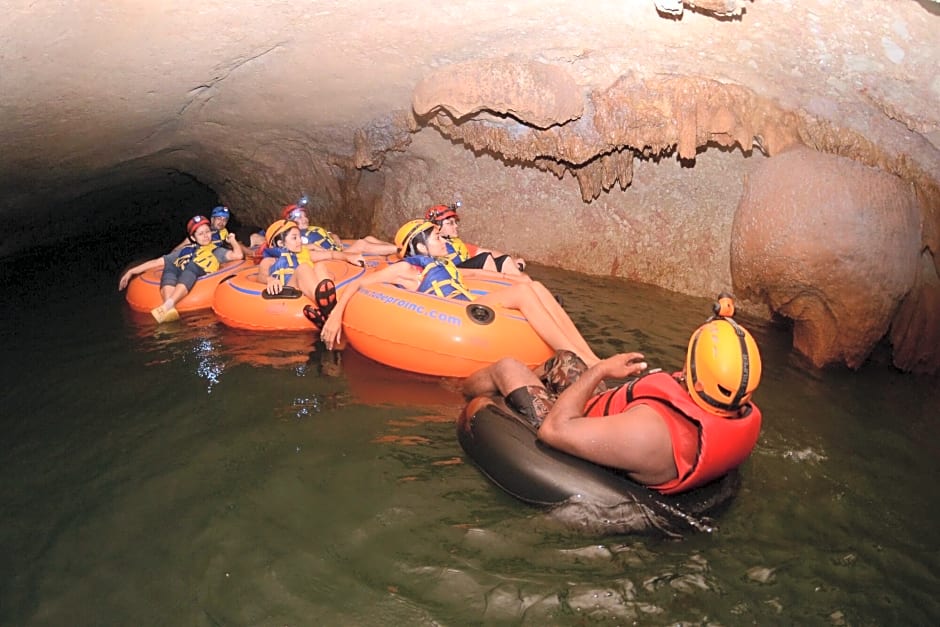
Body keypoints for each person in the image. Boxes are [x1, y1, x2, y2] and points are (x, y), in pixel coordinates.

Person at [461, 295, 763, 494]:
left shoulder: (648, 434)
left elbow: (555, 429)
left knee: (507, 366)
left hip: (568, 424)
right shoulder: (731, 403)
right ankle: (524, 389)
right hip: (606, 415)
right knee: (565, 359)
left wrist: (601, 371)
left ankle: (453, 394)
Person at [318, 219, 601, 364]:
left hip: (467, 301)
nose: (443, 240)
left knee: (534, 287)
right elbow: (359, 283)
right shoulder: (406, 269)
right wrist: (334, 317)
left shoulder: (441, 264)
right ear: (419, 246)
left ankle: (588, 356)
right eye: (436, 237)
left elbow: (472, 274)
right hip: (454, 314)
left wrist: (512, 276)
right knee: (525, 296)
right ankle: (575, 356)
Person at [119, 215, 244, 322]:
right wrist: (131, 271)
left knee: (192, 266)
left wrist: (232, 241)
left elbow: (238, 255)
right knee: (170, 266)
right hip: (179, 274)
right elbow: (158, 262)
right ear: (194, 238)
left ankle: (169, 304)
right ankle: (168, 307)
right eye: (201, 234)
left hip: (196, 272)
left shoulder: (216, 250)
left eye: (207, 232)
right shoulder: (185, 250)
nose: (206, 236)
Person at [256, 219, 339, 326]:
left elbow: (331, 254)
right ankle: (329, 309)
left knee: (320, 266)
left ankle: (326, 306)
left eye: (299, 237)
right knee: (303, 268)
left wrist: (349, 256)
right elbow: (260, 277)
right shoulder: (270, 261)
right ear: (280, 243)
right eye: (294, 238)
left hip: (305, 289)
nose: (299, 241)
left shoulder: (303, 254)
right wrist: (270, 280)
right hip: (289, 289)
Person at [425, 202, 525, 275]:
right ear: (437, 226)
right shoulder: (432, 247)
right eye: (450, 223)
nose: (456, 226)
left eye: (455, 222)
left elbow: (484, 251)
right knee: (485, 258)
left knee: (505, 259)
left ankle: (522, 289)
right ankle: (497, 291)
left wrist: (513, 261)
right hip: (457, 275)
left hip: (468, 272)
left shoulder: (457, 244)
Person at [282, 198, 397, 258]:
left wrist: (335, 238)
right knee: (361, 244)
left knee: (369, 238)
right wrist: (312, 246)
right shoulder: (294, 236)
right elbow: (294, 249)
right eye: (299, 217)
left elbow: (329, 234)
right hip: (332, 257)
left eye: (305, 216)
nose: (304, 219)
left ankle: (398, 248)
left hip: (338, 250)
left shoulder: (312, 228)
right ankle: (402, 251)